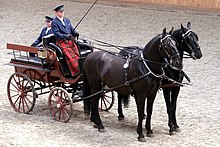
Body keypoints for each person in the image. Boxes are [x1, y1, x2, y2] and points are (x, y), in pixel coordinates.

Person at [51, 4, 80, 77]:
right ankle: (75, 72)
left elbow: (71, 29)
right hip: (62, 42)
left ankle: (80, 68)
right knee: (70, 57)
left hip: (70, 41)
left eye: (62, 11)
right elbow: (57, 34)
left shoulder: (67, 20)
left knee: (77, 54)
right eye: (60, 12)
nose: (62, 13)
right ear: (56, 13)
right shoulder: (54, 22)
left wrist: (75, 33)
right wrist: (66, 36)